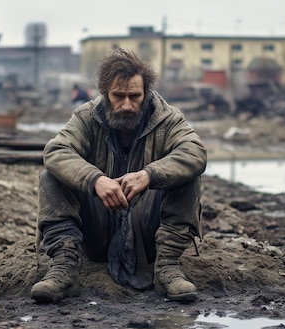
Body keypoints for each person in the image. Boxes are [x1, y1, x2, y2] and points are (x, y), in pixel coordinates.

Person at [31, 48, 207, 303]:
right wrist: (95, 180)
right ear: (104, 94)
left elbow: (195, 152)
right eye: (118, 96)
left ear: (145, 93)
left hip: (148, 231)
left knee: (188, 176)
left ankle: (167, 266)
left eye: (135, 96)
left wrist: (150, 175)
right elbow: (56, 151)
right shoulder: (86, 117)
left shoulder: (167, 118)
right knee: (51, 175)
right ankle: (64, 267)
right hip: (97, 229)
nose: (127, 105)